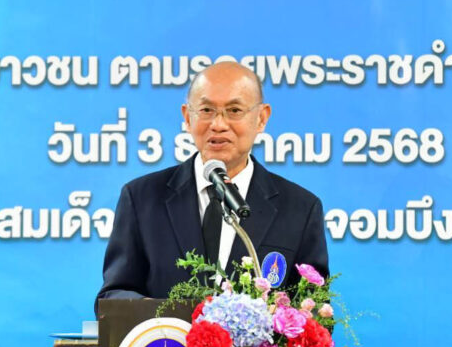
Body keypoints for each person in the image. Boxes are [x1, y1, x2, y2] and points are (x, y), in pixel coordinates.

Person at [95, 62, 329, 313]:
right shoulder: (142, 199)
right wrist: (161, 317)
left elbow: (314, 312)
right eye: (206, 110)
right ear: (188, 117)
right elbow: (113, 297)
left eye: (234, 110)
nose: (218, 124)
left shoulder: (299, 209)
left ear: (261, 118)